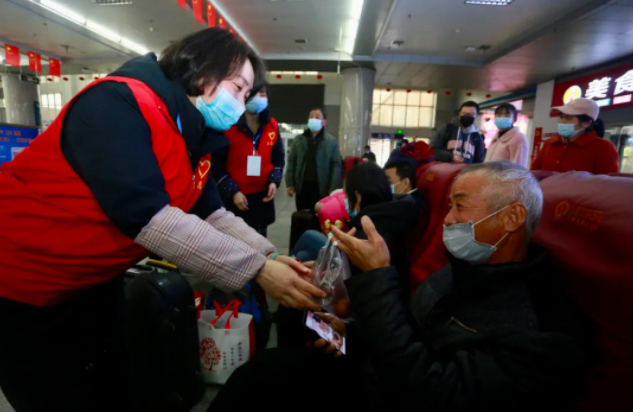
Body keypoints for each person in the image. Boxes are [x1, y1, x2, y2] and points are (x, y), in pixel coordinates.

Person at [0, 29, 324, 412]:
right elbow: (148, 217)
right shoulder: (119, 102)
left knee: (116, 384)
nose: (240, 103)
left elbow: (211, 212)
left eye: (247, 95)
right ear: (204, 70)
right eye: (238, 88)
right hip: (24, 280)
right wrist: (256, 270)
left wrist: (269, 257)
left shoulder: (193, 134)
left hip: (92, 280)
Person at [213, 161, 587, 412]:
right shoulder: (464, 271)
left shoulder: (539, 326)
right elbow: (414, 336)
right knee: (263, 372)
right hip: (382, 373)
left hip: (400, 394)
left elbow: (430, 391)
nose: (448, 220)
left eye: (459, 207)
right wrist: (354, 337)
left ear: (511, 217)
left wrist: (378, 277)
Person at [277, 162, 420, 348]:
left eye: (346, 194)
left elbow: (344, 293)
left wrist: (321, 273)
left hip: (358, 328)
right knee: (304, 255)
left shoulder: (368, 237)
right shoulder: (392, 217)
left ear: (358, 197)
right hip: (365, 316)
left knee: (289, 306)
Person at [212, 84, 283, 237]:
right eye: (254, 94)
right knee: (234, 245)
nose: (258, 98)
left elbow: (278, 158)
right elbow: (216, 164)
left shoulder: (272, 126)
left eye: (263, 95)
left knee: (260, 245)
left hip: (262, 197)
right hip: (235, 197)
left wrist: (274, 181)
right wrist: (233, 192)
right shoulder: (228, 124)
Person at [531, 98, 618, 174]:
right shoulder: (549, 143)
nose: (562, 122)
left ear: (586, 123)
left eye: (568, 118)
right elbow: (534, 173)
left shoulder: (604, 148)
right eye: (561, 117)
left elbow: (607, 184)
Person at [285, 108, 342, 211]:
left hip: (321, 188)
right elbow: (292, 161)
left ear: (324, 122)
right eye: (311, 116)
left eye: (317, 117)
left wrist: (333, 187)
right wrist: (290, 183)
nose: (313, 119)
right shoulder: (299, 140)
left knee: (320, 217)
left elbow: (336, 165)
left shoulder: (331, 141)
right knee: (302, 216)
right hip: (302, 186)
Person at [484, 103, 529, 167]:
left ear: (514, 119)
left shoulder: (519, 138)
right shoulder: (495, 138)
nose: (502, 119)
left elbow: (519, 168)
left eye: (506, 116)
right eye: (499, 116)